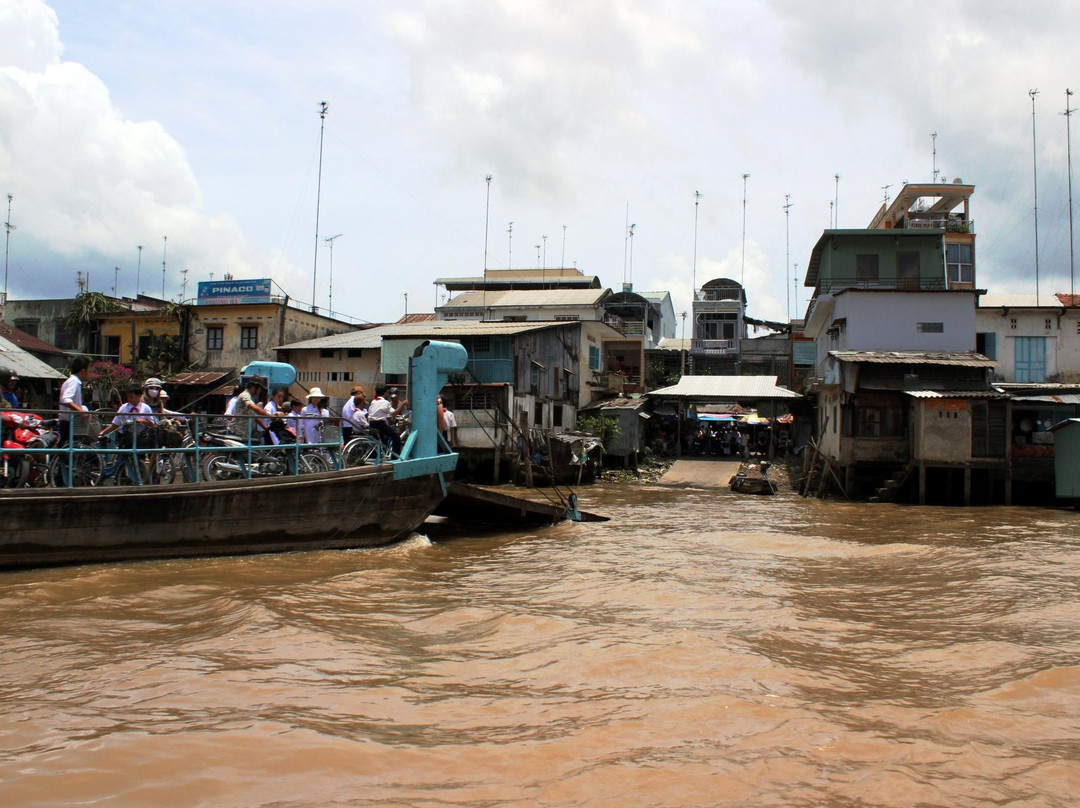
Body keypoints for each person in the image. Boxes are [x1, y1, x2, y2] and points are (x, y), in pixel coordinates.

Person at [58, 356, 91, 446]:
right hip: (69, 423)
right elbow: (65, 399)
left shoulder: (71, 381)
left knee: (65, 450)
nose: (88, 373)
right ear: (83, 370)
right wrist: (80, 411)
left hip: (68, 422)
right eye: (88, 370)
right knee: (68, 450)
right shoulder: (74, 382)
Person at [236, 378, 275, 444]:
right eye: (260, 389)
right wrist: (270, 416)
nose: (260, 391)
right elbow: (253, 407)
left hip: (245, 432)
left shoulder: (251, 398)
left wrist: (264, 426)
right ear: (255, 387)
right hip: (238, 432)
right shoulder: (245, 395)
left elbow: (253, 416)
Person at [367, 384, 401, 455]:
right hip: (380, 424)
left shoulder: (373, 401)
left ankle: (378, 455)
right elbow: (394, 413)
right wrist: (403, 404)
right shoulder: (386, 402)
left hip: (371, 424)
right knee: (396, 437)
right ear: (385, 393)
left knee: (379, 440)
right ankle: (395, 457)